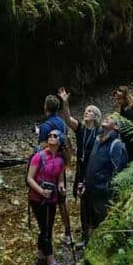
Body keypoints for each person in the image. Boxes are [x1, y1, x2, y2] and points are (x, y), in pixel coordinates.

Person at [58, 87, 101, 243]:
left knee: (92, 203)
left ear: (96, 116)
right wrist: (65, 102)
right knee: (83, 203)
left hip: (94, 171)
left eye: (89, 111)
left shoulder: (99, 132)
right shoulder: (80, 129)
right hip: (81, 171)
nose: (86, 112)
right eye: (85, 111)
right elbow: (68, 119)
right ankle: (84, 236)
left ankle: (95, 232)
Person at [26, 129, 72, 265]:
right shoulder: (38, 157)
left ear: (60, 141)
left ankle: (41, 259)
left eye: (55, 136)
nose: (51, 137)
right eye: (50, 135)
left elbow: (59, 179)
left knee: (46, 229)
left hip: (51, 199)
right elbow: (29, 179)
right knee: (46, 231)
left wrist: (61, 187)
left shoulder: (60, 160)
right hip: (37, 199)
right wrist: (41, 191)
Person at [83, 114, 128, 242]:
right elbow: (92, 164)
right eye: (107, 117)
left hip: (103, 193)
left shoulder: (116, 145)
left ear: (116, 127)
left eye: (111, 118)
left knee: (104, 225)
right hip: (91, 190)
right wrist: (85, 183)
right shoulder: (98, 139)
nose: (107, 117)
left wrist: (106, 188)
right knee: (93, 223)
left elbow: (119, 172)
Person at [37, 95, 72, 243]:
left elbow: (42, 149)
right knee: (62, 201)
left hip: (49, 168)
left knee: (46, 201)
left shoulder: (45, 126)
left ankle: (46, 236)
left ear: (45, 107)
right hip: (61, 164)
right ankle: (68, 233)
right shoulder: (62, 123)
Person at [113, 85, 133, 161]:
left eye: (119, 99)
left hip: (132, 141)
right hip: (126, 140)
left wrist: (119, 129)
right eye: (116, 99)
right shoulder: (123, 107)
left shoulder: (132, 109)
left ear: (125, 98)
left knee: (129, 160)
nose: (117, 101)